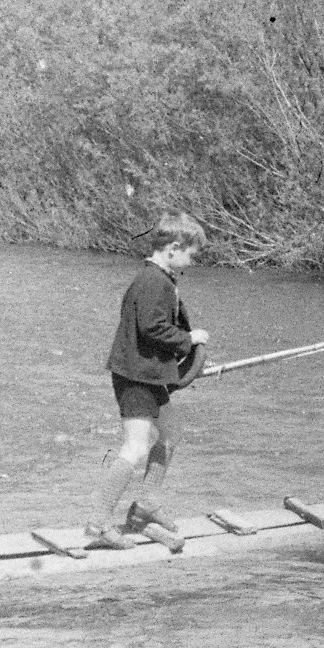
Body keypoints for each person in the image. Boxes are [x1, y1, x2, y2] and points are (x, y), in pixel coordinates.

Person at [85, 213, 210, 549]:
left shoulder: (160, 278)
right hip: (136, 378)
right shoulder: (153, 281)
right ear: (173, 248)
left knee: (170, 435)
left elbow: (155, 330)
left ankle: (144, 508)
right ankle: (97, 525)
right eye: (191, 255)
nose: (192, 262)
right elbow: (152, 329)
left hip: (151, 375)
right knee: (136, 447)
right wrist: (190, 338)